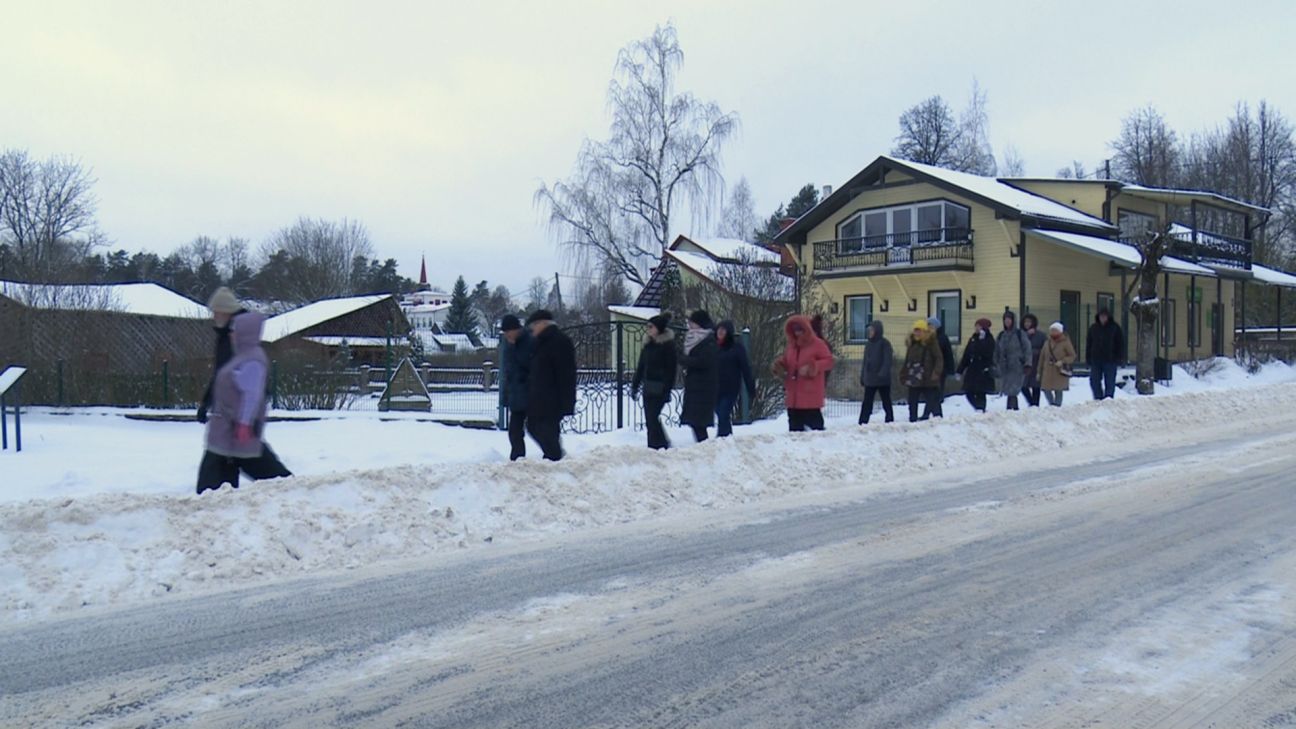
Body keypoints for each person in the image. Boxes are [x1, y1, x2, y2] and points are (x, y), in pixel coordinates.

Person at [197, 287, 290, 481]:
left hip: (235, 418)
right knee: (233, 460)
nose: (213, 316)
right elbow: (221, 375)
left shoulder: (239, 339)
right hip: (228, 418)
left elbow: (250, 389)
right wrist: (207, 402)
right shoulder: (227, 336)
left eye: (216, 311)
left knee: (245, 460)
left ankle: (289, 489)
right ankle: (286, 487)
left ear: (226, 311)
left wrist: (245, 422)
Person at [525, 309, 577, 461]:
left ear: (542, 324)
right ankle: (553, 456)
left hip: (552, 399)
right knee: (533, 427)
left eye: (533, 326)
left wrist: (566, 402)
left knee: (546, 430)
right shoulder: (540, 343)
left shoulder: (559, 341)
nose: (531, 330)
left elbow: (566, 374)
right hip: (539, 397)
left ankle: (555, 459)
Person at [773, 314, 834, 431]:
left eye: (800, 329)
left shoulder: (818, 344)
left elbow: (829, 361)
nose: (797, 333)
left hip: (810, 399)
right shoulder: (791, 346)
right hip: (793, 399)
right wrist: (779, 366)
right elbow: (787, 361)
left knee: (815, 434)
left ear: (806, 328)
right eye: (794, 330)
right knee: (795, 435)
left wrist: (813, 367)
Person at [631, 313, 677, 450]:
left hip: (660, 388)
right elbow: (641, 366)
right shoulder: (648, 345)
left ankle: (659, 445)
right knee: (650, 419)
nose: (648, 329)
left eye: (651, 327)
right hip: (648, 387)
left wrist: (668, 390)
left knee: (652, 417)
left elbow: (671, 370)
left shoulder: (668, 346)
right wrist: (635, 385)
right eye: (647, 327)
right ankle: (656, 445)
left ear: (659, 329)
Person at [679, 310, 719, 443]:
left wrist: (683, 359)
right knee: (695, 422)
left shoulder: (709, 341)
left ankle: (705, 447)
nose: (690, 325)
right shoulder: (694, 338)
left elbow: (703, 361)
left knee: (698, 422)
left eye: (692, 322)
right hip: (695, 386)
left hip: (704, 387)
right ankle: (703, 446)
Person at [500, 314, 534, 461]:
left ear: (516, 329)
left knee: (537, 430)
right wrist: (506, 396)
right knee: (514, 431)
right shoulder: (508, 345)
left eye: (508, 331)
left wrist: (514, 348)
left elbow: (527, 364)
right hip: (516, 395)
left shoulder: (529, 341)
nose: (507, 335)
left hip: (531, 394)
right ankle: (517, 460)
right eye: (505, 332)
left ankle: (552, 456)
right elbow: (508, 371)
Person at [714, 320, 755, 438]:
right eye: (719, 329)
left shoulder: (736, 348)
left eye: (723, 330)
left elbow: (746, 369)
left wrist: (750, 388)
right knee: (722, 415)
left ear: (729, 332)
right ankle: (727, 439)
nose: (720, 332)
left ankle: (721, 439)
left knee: (723, 413)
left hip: (730, 389)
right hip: (715, 388)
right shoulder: (713, 347)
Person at [901, 319, 944, 423]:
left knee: (931, 397)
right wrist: (903, 372)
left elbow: (939, 358)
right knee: (912, 398)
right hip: (913, 375)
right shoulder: (912, 343)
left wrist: (936, 372)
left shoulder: (931, 342)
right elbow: (907, 360)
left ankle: (934, 417)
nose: (917, 333)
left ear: (925, 331)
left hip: (927, 375)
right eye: (916, 330)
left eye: (919, 330)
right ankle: (913, 418)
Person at [858, 320, 894, 424]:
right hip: (870, 379)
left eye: (872, 330)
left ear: (877, 331)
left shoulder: (885, 343)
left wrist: (883, 373)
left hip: (882, 380)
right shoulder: (868, 344)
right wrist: (863, 376)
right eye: (869, 330)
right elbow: (865, 362)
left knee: (886, 401)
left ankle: (889, 420)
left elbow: (887, 360)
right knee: (867, 402)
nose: (870, 332)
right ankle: (863, 422)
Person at [994, 310, 1032, 411]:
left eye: (1009, 320)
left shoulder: (1020, 334)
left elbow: (1027, 349)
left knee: (1013, 389)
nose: (1007, 322)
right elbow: (997, 350)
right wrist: (996, 363)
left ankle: (1013, 409)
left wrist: (1027, 363)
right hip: (1005, 366)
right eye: (1005, 320)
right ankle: (1011, 409)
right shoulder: (1001, 335)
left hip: (1017, 366)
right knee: (1007, 388)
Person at [958, 318, 997, 412]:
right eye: (976, 326)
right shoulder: (973, 338)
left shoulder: (989, 339)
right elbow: (967, 355)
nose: (976, 328)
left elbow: (987, 353)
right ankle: (979, 408)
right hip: (972, 369)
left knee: (981, 392)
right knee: (968, 392)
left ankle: (981, 409)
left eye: (978, 326)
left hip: (983, 370)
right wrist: (960, 370)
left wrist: (982, 341)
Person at [1086, 307, 1125, 400]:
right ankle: (1098, 399)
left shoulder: (1115, 328)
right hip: (1096, 360)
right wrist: (1088, 358)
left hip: (1110, 360)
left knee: (1110, 382)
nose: (1103, 318)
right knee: (1094, 381)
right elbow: (1089, 344)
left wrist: (1119, 357)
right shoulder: (1093, 328)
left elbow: (1120, 344)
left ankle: (1108, 400)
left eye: (1104, 316)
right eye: (1101, 316)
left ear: (1108, 317)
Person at [921, 316, 954, 420]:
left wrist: (949, 369)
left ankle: (928, 414)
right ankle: (937, 413)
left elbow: (947, 355)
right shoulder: (928, 338)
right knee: (932, 393)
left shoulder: (941, 338)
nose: (928, 328)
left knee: (934, 392)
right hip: (928, 369)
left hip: (939, 370)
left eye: (930, 326)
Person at [1038, 321, 1077, 407]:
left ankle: (1057, 406)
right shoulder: (1047, 342)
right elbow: (1042, 357)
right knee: (1046, 389)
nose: (1053, 332)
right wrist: (1039, 371)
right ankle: (1052, 405)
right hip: (1047, 371)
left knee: (1058, 389)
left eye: (1055, 330)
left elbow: (1072, 356)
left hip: (1059, 371)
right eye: (1051, 330)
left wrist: (1063, 361)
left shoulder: (1065, 342)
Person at [1021, 314, 1047, 407]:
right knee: (1023, 386)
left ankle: (1035, 404)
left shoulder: (1040, 335)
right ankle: (1031, 402)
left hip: (1037, 363)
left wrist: (1033, 352)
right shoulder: (1021, 334)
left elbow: (1045, 348)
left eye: (1029, 322)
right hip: (1024, 364)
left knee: (1036, 386)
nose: (1027, 324)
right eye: (1025, 322)